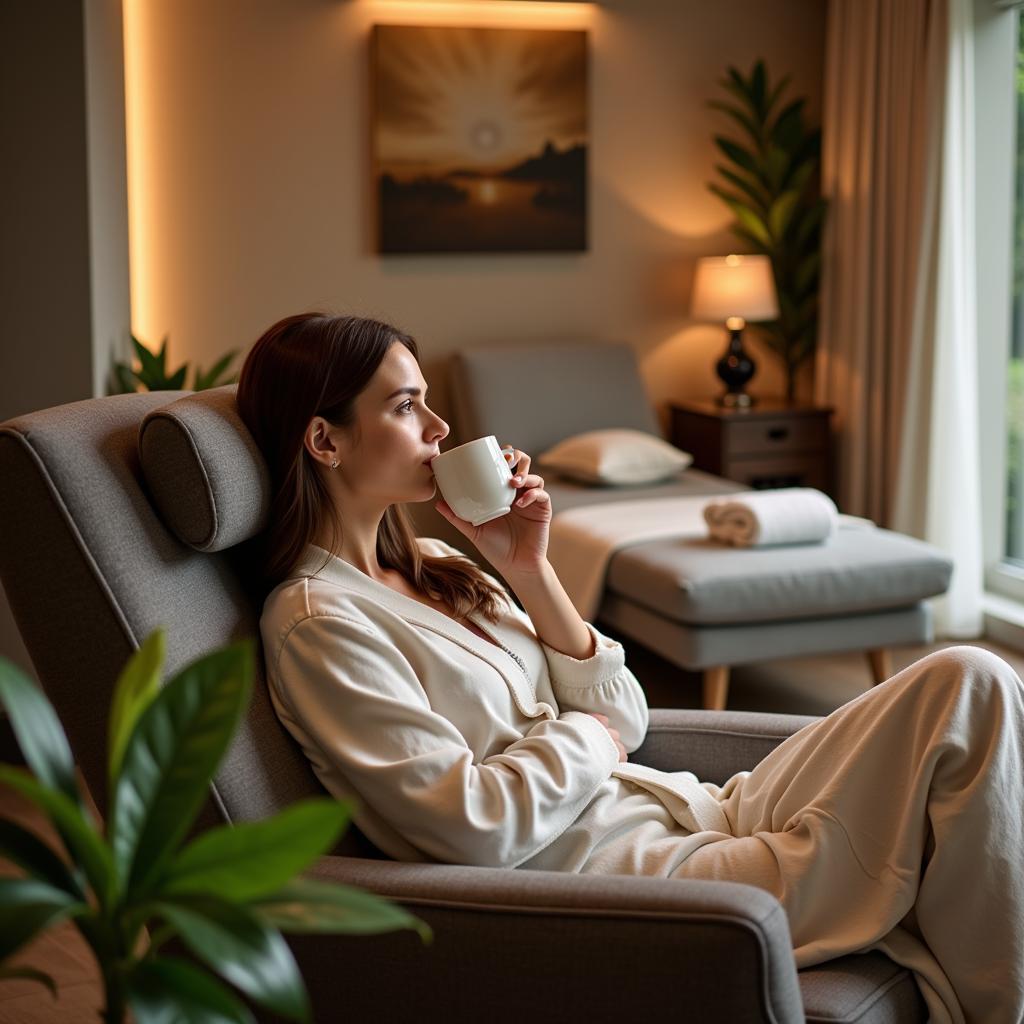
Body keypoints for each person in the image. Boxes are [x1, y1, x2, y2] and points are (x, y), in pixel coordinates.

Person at [237, 311, 1024, 1024]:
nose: (441, 427)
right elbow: (470, 824)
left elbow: (630, 713)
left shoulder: (440, 560)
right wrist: (592, 737)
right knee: (955, 791)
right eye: (406, 406)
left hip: (700, 807)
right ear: (325, 441)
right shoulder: (318, 626)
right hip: (641, 879)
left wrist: (528, 567)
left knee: (967, 676)